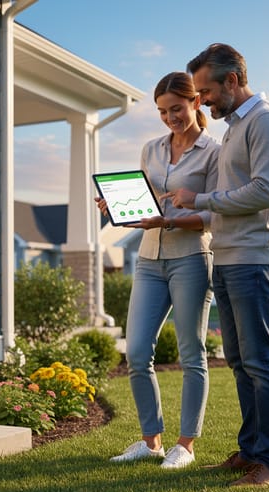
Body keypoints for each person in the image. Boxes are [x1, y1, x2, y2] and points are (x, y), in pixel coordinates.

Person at [166, 43, 269, 486]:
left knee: (262, 363)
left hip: (254, 258)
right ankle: (250, 451)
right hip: (227, 256)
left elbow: (265, 191)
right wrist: (174, 215)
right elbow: (221, 204)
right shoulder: (234, 131)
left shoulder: (266, 122)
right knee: (240, 362)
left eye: (206, 91)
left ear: (233, 81)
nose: (201, 101)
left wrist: (200, 198)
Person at [97, 71, 219, 469]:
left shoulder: (213, 152)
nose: (170, 118)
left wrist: (167, 221)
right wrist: (117, 207)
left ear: (196, 103)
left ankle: (185, 444)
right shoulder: (150, 149)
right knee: (135, 351)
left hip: (191, 259)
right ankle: (150, 440)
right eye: (163, 112)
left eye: (177, 109)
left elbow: (215, 214)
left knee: (190, 353)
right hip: (149, 259)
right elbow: (146, 203)